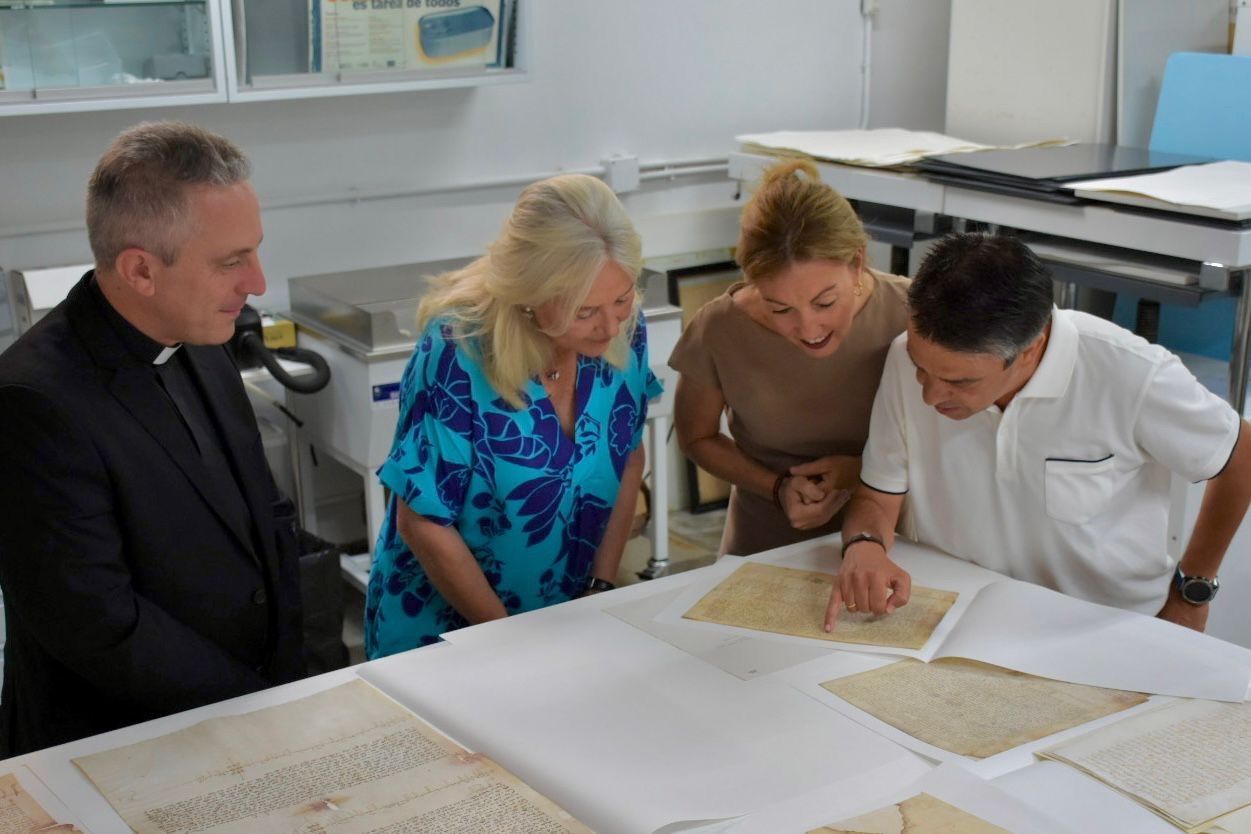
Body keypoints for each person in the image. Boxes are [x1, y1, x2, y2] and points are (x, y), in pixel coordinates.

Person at [0, 122, 305, 756]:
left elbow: (266, 514)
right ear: (141, 270)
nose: (257, 282)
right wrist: (249, 707)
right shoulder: (32, 402)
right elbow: (100, 626)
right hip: (120, 742)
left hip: (249, 710)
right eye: (231, 262)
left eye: (254, 250)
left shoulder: (199, 334)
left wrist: (294, 679)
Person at [826, 233, 1251, 633]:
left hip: (1107, 626)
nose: (930, 394)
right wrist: (865, 545)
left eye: (960, 382)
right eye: (922, 368)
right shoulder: (905, 356)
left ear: (1030, 350)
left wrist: (1193, 591)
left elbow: (1241, 454)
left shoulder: (1131, 373)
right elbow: (877, 496)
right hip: (955, 618)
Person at [364, 174, 661, 658]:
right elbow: (422, 521)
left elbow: (628, 456)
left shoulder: (624, 331)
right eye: (584, 311)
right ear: (530, 293)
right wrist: (508, 644)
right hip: (443, 633)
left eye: (622, 299)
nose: (609, 325)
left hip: (563, 617)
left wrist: (601, 587)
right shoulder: (458, 349)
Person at [669, 159, 910, 555]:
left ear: (857, 262)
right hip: (765, 541)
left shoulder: (912, 314)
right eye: (779, 309)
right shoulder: (719, 329)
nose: (809, 330)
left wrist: (864, 472)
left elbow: (954, 443)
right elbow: (697, 437)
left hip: (894, 542)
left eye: (825, 302)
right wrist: (776, 487)